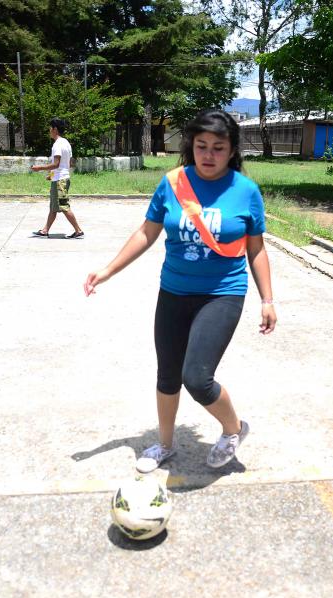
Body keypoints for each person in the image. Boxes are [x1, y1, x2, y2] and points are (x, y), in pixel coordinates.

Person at [84, 109, 276, 472]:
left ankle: (233, 429)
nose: (208, 155)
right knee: (168, 374)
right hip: (174, 291)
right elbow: (147, 232)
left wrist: (267, 299)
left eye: (218, 147)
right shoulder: (173, 183)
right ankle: (165, 444)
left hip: (223, 292)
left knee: (197, 379)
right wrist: (107, 270)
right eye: (201, 146)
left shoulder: (245, 191)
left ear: (232, 150)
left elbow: (256, 249)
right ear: (191, 145)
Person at [31, 118, 84, 239]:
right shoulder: (66, 143)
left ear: (55, 129)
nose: (49, 130)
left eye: (50, 128)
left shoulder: (57, 144)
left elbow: (56, 164)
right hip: (61, 179)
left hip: (60, 180)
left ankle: (78, 230)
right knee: (53, 207)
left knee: (63, 206)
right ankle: (45, 230)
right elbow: (70, 163)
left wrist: (39, 168)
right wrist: (51, 175)